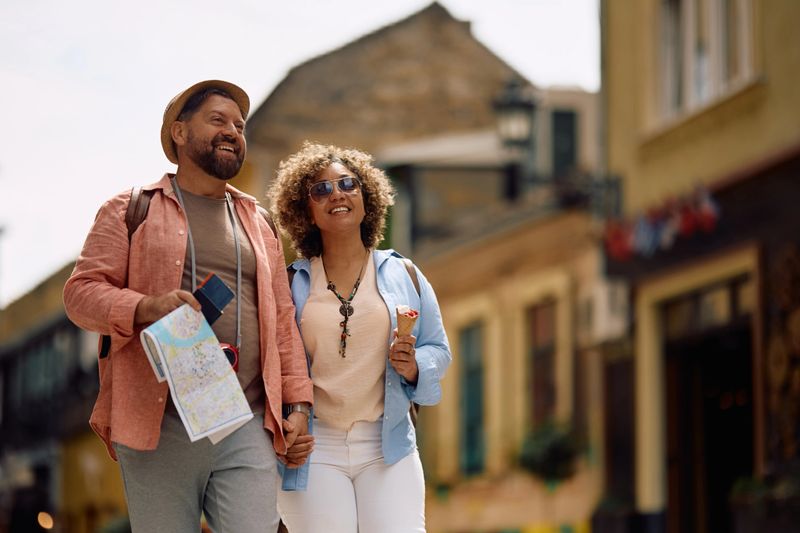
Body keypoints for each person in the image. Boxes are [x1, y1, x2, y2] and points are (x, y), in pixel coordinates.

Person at [63, 80, 313, 533]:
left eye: (239, 125)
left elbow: (282, 324)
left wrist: (297, 403)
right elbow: (79, 295)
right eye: (217, 120)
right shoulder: (129, 209)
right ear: (179, 132)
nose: (233, 132)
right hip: (161, 423)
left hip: (246, 417)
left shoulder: (260, 222)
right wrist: (144, 306)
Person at [266, 141, 452, 533]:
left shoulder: (406, 274)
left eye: (348, 184)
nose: (337, 194)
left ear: (367, 200)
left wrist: (415, 365)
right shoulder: (289, 284)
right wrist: (284, 423)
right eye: (321, 189)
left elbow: (439, 348)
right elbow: (272, 363)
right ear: (307, 212)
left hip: (388, 444)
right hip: (315, 447)